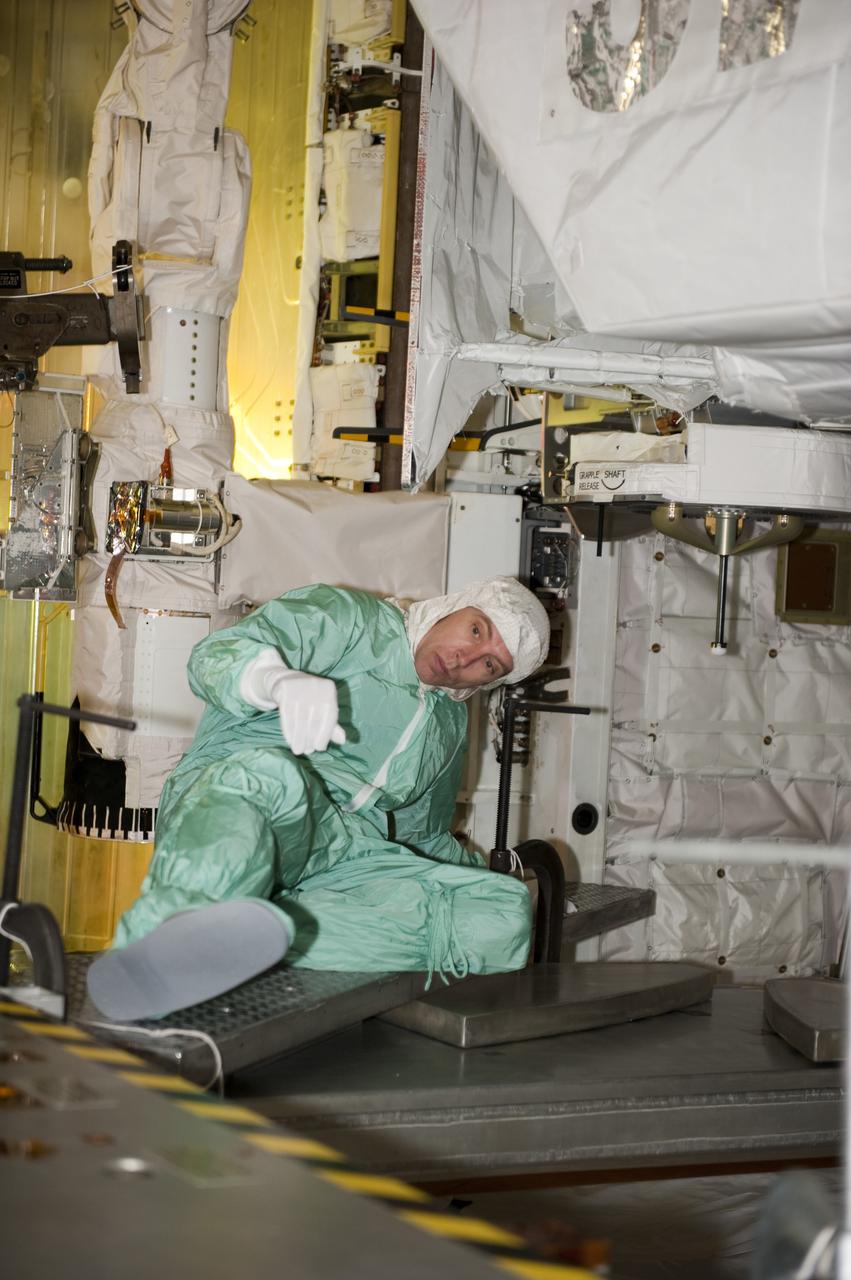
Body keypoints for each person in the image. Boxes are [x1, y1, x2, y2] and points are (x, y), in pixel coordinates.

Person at [87, 577, 550, 1021]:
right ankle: (166, 946)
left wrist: (477, 876)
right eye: (476, 630)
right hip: (245, 802)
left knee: (503, 916)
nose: (467, 657)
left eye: (490, 665)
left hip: (340, 852)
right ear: (457, 605)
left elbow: (423, 835)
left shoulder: (448, 726)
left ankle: (251, 939)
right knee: (274, 775)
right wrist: (272, 679)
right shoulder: (350, 620)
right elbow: (213, 657)